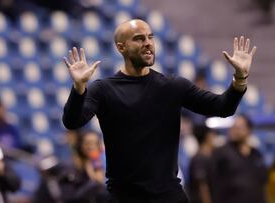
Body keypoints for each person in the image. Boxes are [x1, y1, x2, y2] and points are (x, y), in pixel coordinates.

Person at [62, 19, 256, 202]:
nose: (148, 43)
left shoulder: (172, 86)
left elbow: (222, 107)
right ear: (121, 47)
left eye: (150, 37)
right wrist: (79, 89)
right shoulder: (103, 89)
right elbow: (72, 121)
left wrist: (240, 79)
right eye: (139, 38)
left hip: (169, 196)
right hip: (124, 197)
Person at [211, 114, 268, 203]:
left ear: (248, 130)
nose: (234, 130)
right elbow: (211, 184)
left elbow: (263, 181)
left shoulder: (256, 154)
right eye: (233, 127)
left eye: (238, 128)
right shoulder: (221, 153)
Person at [187, 126, 216, 203]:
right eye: (213, 134)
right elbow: (202, 186)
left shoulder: (212, 156)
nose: (215, 137)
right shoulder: (199, 158)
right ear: (208, 137)